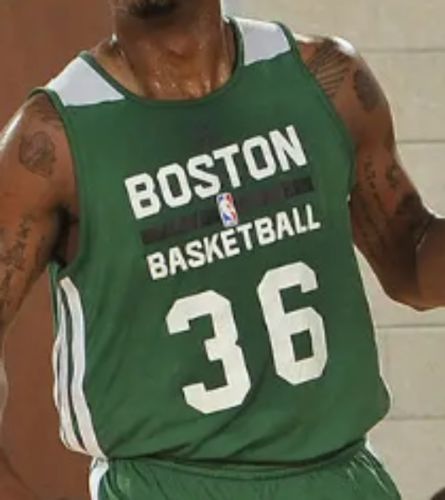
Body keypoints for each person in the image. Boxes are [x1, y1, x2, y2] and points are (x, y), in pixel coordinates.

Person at [0, 0, 444, 498]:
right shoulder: (51, 140)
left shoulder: (325, 81)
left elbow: (412, 261)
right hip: (165, 485)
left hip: (341, 476)